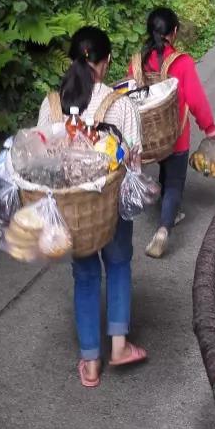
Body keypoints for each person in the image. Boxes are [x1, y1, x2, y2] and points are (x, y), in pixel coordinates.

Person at [38, 26, 147, 388]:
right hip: (111, 207)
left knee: (84, 275)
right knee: (117, 264)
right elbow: (135, 163)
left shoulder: (51, 105)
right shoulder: (121, 105)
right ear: (107, 62)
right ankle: (118, 345)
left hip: (74, 212)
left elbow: (41, 162)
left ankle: (90, 360)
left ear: (72, 61)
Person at [130, 7, 215, 259]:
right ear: (175, 32)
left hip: (150, 137)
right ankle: (163, 230)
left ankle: (169, 211)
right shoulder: (181, 63)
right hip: (177, 136)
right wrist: (209, 127)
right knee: (175, 184)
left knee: (164, 168)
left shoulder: (137, 62)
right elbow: (197, 99)